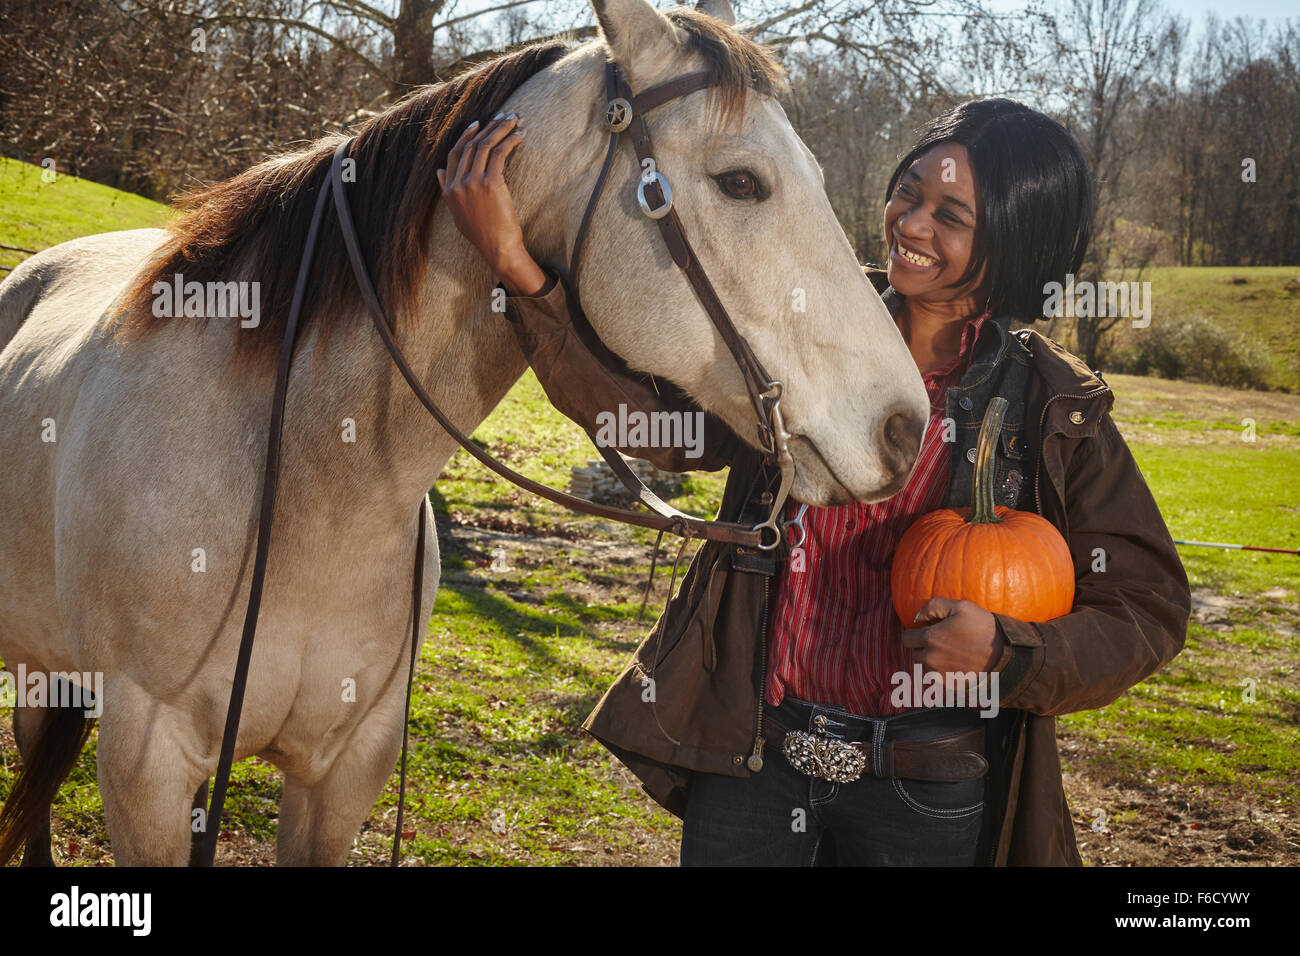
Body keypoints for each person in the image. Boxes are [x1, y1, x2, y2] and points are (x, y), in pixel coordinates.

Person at [436, 98, 1191, 865]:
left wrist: (1009, 649)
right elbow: (672, 430)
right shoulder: (803, 316)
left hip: (926, 786)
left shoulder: (1051, 406)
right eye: (910, 191)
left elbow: (1146, 608)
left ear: (1015, 237)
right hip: (755, 759)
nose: (912, 223)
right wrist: (520, 271)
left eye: (951, 215)